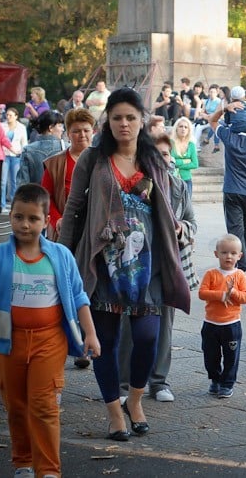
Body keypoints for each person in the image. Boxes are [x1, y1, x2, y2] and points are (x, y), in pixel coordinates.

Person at [58, 87, 191, 442]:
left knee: (148, 337)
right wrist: (62, 258)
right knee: (105, 341)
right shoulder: (93, 159)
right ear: (108, 121)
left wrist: (177, 226)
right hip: (103, 264)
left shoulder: (155, 160)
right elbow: (72, 209)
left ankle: (135, 399)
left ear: (142, 120)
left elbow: (172, 202)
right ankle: (114, 412)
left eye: (130, 117)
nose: (124, 124)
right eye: (117, 117)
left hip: (148, 266)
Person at [0, 183, 100, 478]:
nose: (24, 224)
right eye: (18, 217)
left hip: (50, 341)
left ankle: (49, 470)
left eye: (32, 218)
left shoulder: (61, 256)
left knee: (44, 405)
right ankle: (23, 462)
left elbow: (79, 296)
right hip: (7, 341)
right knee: (16, 406)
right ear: (10, 216)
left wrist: (89, 333)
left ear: (46, 221)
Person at [118, 133, 198, 403]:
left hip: (168, 263)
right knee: (131, 322)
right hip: (138, 264)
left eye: (167, 154)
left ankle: (159, 381)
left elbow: (191, 222)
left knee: (164, 323)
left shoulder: (178, 186)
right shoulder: (133, 186)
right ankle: (123, 381)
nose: (163, 159)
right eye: (157, 154)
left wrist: (181, 229)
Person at [208, 97, 246, 282]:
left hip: (232, 190)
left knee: (236, 231)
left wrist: (224, 108)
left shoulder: (228, 135)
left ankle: (244, 267)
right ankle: (243, 266)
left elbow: (212, 120)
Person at [198, 234, 246, 398]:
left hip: (231, 324)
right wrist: (222, 295)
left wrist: (233, 292)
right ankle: (215, 379)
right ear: (216, 254)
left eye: (233, 253)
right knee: (210, 355)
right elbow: (202, 293)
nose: (229, 256)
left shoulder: (240, 275)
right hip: (211, 323)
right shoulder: (211, 274)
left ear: (239, 256)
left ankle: (227, 384)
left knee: (231, 357)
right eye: (224, 252)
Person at [41, 108, 95, 242]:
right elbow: (45, 197)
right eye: (76, 131)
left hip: (95, 229)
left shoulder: (103, 161)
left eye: (86, 130)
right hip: (65, 230)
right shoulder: (54, 163)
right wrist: (57, 219)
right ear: (68, 134)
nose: (82, 135)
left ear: (93, 132)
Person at [17, 111, 65, 188]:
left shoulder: (28, 150)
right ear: (51, 128)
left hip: (35, 197)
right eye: (60, 126)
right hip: (60, 199)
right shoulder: (67, 148)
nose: (63, 129)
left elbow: (23, 183)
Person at [2, 108, 29, 208]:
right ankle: (2, 204)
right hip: (4, 155)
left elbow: (24, 143)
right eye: (7, 115)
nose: (8, 117)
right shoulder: (2, 126)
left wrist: (23, 153)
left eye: (10, 115)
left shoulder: (21, 127)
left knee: (14, 180)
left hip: (16, 155)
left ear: (16, 116)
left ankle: (13, 203)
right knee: (3, 181)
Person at [169, 116, 199, 197]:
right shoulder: (170, 143)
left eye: (186, 127)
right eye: (181, 126)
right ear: (176, 128)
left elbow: (195, 164)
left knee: (187, 207)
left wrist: (177, 162)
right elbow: (170, 162)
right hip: (173, 180)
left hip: (187, 180)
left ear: (189, 130)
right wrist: (185, 161)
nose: (183, 129)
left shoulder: (191, 144)